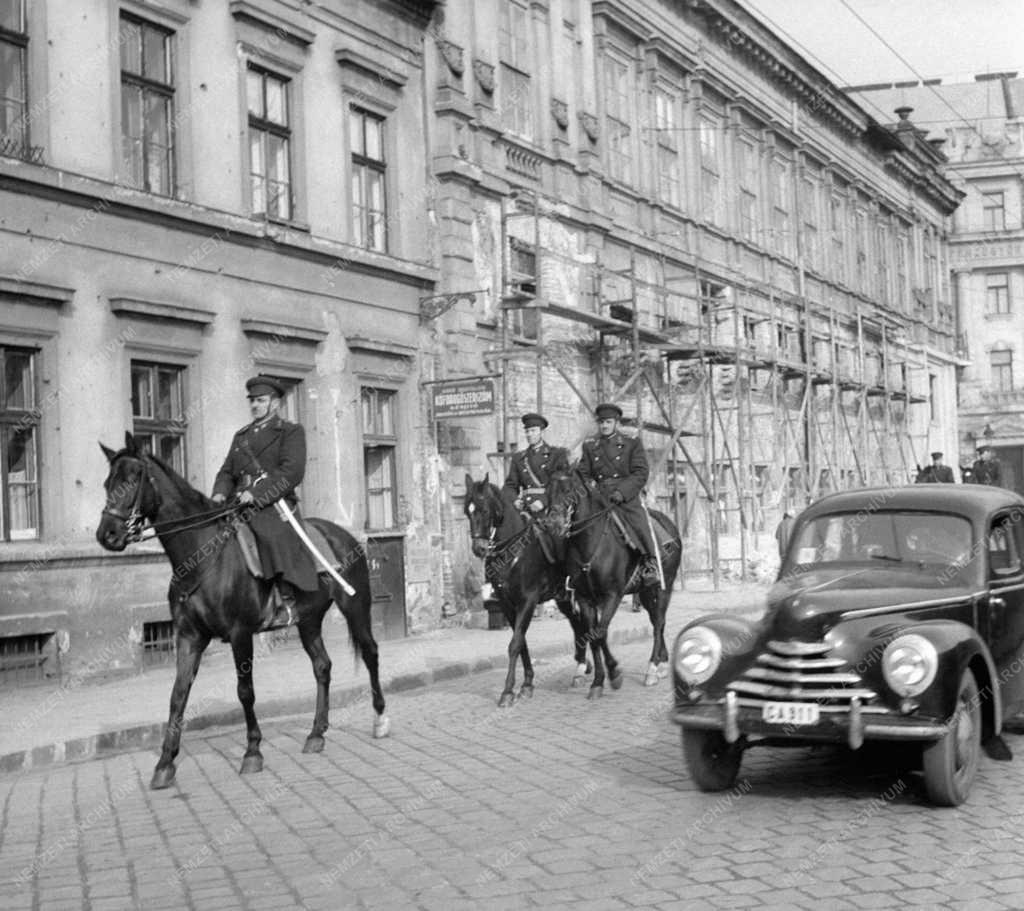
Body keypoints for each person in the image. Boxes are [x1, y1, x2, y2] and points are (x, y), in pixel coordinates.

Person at [212, 375, 318, 626]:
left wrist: (257, 495)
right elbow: (227, 471)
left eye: (261, 401)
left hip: (274, 504)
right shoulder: (241, 436)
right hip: (238, 503)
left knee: (271, 535)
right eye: (253, 401)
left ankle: (287, 602)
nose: (255, 406)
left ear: (275, 404)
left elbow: (292, 472)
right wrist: (218, 493)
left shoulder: (290, 432)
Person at [577, 402, 660, 586]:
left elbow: (640, 472)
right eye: (601, 423)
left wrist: (622, 493)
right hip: (597, 496)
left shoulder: (631, 443)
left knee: (638, 521)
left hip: (624, 496)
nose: (604, 426)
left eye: (608, 422)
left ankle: (649, 562)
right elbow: (583, 471)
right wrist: (590, 487)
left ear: (616, 422)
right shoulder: (590, 445)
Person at [503, 412, 569, 516]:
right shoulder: (518, 458)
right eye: (527, 431)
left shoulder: (556, 455)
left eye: (533, 431)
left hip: (550, 509)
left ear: (542, 432)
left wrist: (543, 501)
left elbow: (560, 485)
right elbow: (509, 486)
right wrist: (515, 500)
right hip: (525, 510)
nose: (529, 434)